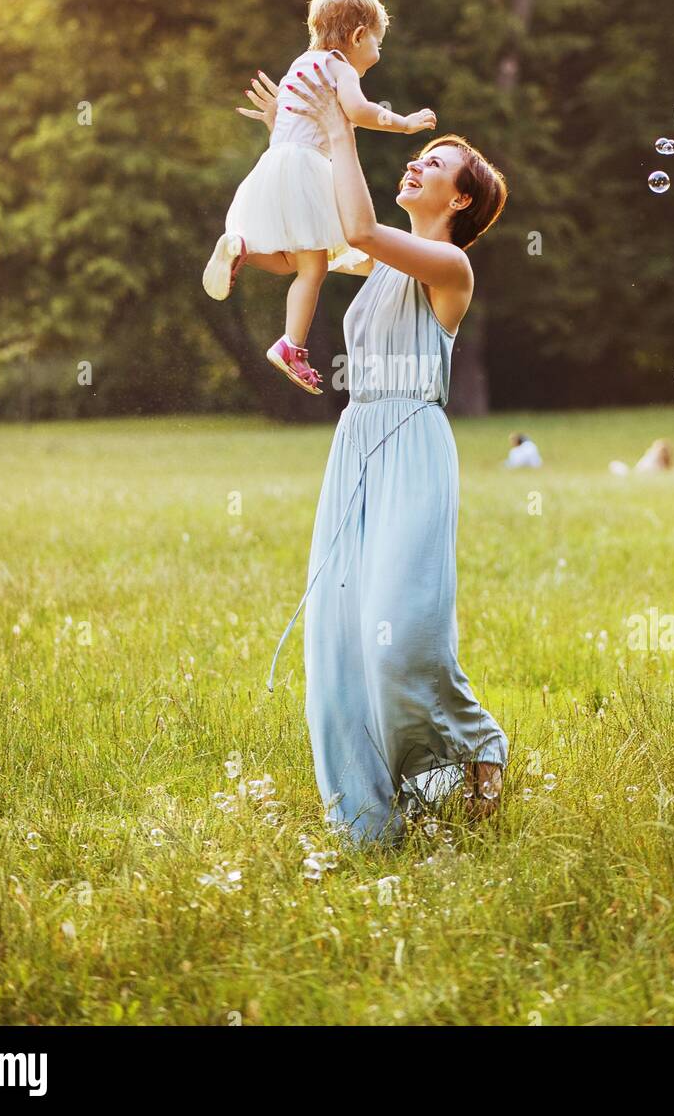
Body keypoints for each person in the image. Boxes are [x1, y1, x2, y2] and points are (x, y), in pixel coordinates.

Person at [248, 64, 509, 845]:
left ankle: (475, 749)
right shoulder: (378, 263)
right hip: (354, 446)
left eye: (434, 162)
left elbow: (359, 230)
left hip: (413, 451)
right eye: (418, 155)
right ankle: (372, 827)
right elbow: (299, 249)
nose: (415, 161)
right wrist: (289, 149)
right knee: (339, 644)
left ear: (458, 200)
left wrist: (340, 127)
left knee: (403, 637)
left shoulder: (449, 268)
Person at [202, 0, 436, 395]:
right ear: (359, 35)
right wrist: (404, 123)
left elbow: (294, 126)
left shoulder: (299, 64)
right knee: (314, 268)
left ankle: (243, 249)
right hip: (307, 170)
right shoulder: (338, 66)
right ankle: (291, 345)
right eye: (378, 44)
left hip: (274, 165)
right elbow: (359, 110)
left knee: (292, 261)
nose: (377, 55)